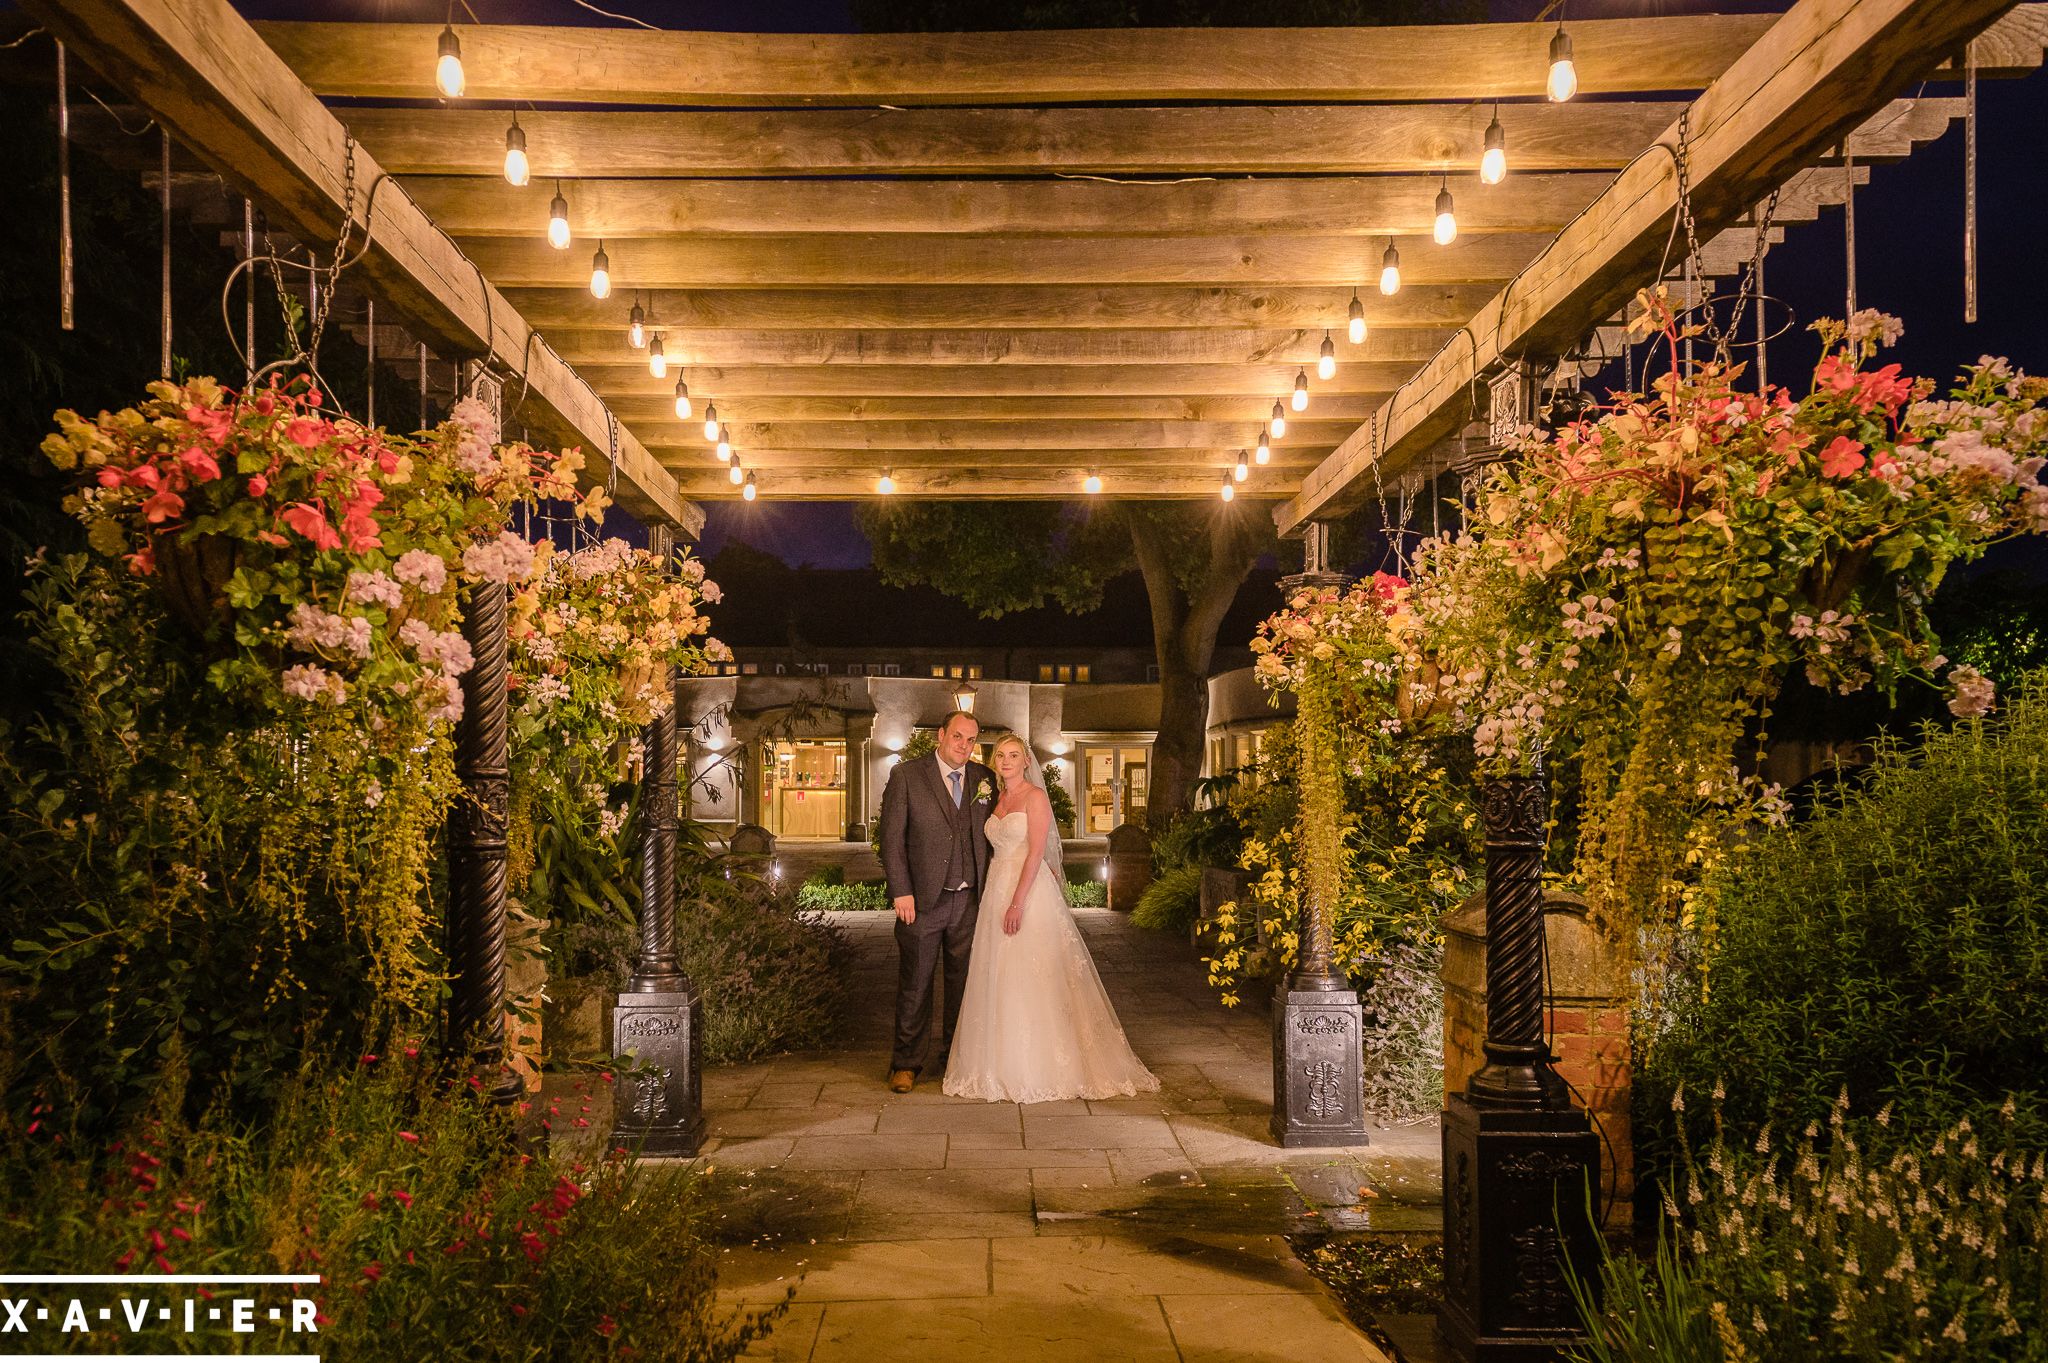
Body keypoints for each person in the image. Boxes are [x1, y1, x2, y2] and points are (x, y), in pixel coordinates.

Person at [944, 734, 1158, 1103]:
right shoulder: (995, 798)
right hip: (996, 888)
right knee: (999, 974)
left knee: (1032, 973)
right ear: (994, 762)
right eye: (1001, 756)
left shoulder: (1035, 797)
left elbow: (1035, 854)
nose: (1007, 761)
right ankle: (998, 1063)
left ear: (1026, 761)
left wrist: (1017, 904)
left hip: (1025, 892)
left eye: (1014, 755)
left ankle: (1040, 1065)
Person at [875, 710, 995, 1094]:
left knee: (964, 984)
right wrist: (901, 890)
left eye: (972, 740)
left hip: (970, 902)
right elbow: (891, 839)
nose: (964, 745)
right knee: (916, 982)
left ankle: (953, 1059)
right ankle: (906, 1063)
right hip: (923, 901)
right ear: (940, 736)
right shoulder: (907, 776)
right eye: (958, 736)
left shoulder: (983, 779)